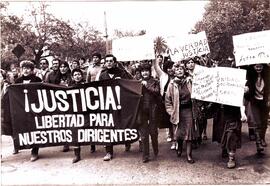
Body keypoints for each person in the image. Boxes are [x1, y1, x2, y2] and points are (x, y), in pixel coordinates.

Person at [99, 54, 132, 161]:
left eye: (110, 61)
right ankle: (109, 151)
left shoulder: (122, 73)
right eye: (106, 61)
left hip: (122, 103)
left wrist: (122, 81)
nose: (108, 63)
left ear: (114, 62)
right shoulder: (103, 75)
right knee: (108, 127)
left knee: (124, 124)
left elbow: (130, 84)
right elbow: (98, 89)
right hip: (108, 104)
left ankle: (127, 141)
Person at [165, 62, 199, 164]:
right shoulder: (171, 85)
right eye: (177, 70)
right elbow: (168, 101)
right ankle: (179, 147)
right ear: (174, 72)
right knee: (179, 134)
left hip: (188, 110)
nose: (179, 71)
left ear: (184, 70)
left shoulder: (189, 81)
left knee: (189, 134)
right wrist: (172, 112)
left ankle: (189, 155)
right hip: (177, 112)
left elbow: (197, 93)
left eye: (181, 69)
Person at [15, 60, 42, 161]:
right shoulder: (17, 81)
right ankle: (18, 146)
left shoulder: (37, 79)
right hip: (21, 109)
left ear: (32, 70)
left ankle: (34, 151)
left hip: (34, 109)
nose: (25, 70)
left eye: (28, 68)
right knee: (21, 128)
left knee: (35, 129)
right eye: (23, 68)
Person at [137, 64, 160, 163]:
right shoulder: (137, 82)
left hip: (153, 110)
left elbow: (157, 92)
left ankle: (155, 148)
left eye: (146, 71)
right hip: (142, 111)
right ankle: (145, 155)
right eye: (143, 71)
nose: (144, 73)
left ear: (150, 72)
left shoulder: (155, 82)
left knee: (153, 132)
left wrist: (146, 86)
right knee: (144, 134)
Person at [245, 64, 270, 152]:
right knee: (257, 122)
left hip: (265, 102)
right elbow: (246, 94)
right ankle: (258, 143)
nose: (258, 68)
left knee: (264, 121)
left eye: (260, 66)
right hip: (254, 102)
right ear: (253, 67)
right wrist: (246, 91)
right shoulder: (250, 77)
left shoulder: (267, 75)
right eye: (256, 66)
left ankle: (262, 138)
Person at [153, 55, 176, 149]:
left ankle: (175, 140)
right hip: (165, 101)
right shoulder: (163, 75)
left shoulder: (177, 76)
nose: (170, 69)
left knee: (175, 121)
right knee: (168, 121)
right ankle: (171, 137)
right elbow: (156, 66)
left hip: (175, 101)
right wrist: (154, 57)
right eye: (168, 68)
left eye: (172, 67)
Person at [69, 69, 85, 163]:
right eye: (75, 75)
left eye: (79, 74)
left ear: (82, 76)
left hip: (87, 112)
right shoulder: (69, 87)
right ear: (72, 77)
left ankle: (94, 147)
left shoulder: (87, 86)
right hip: (75, 113)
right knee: (75, 131)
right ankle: (77, 154)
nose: (77, 76)